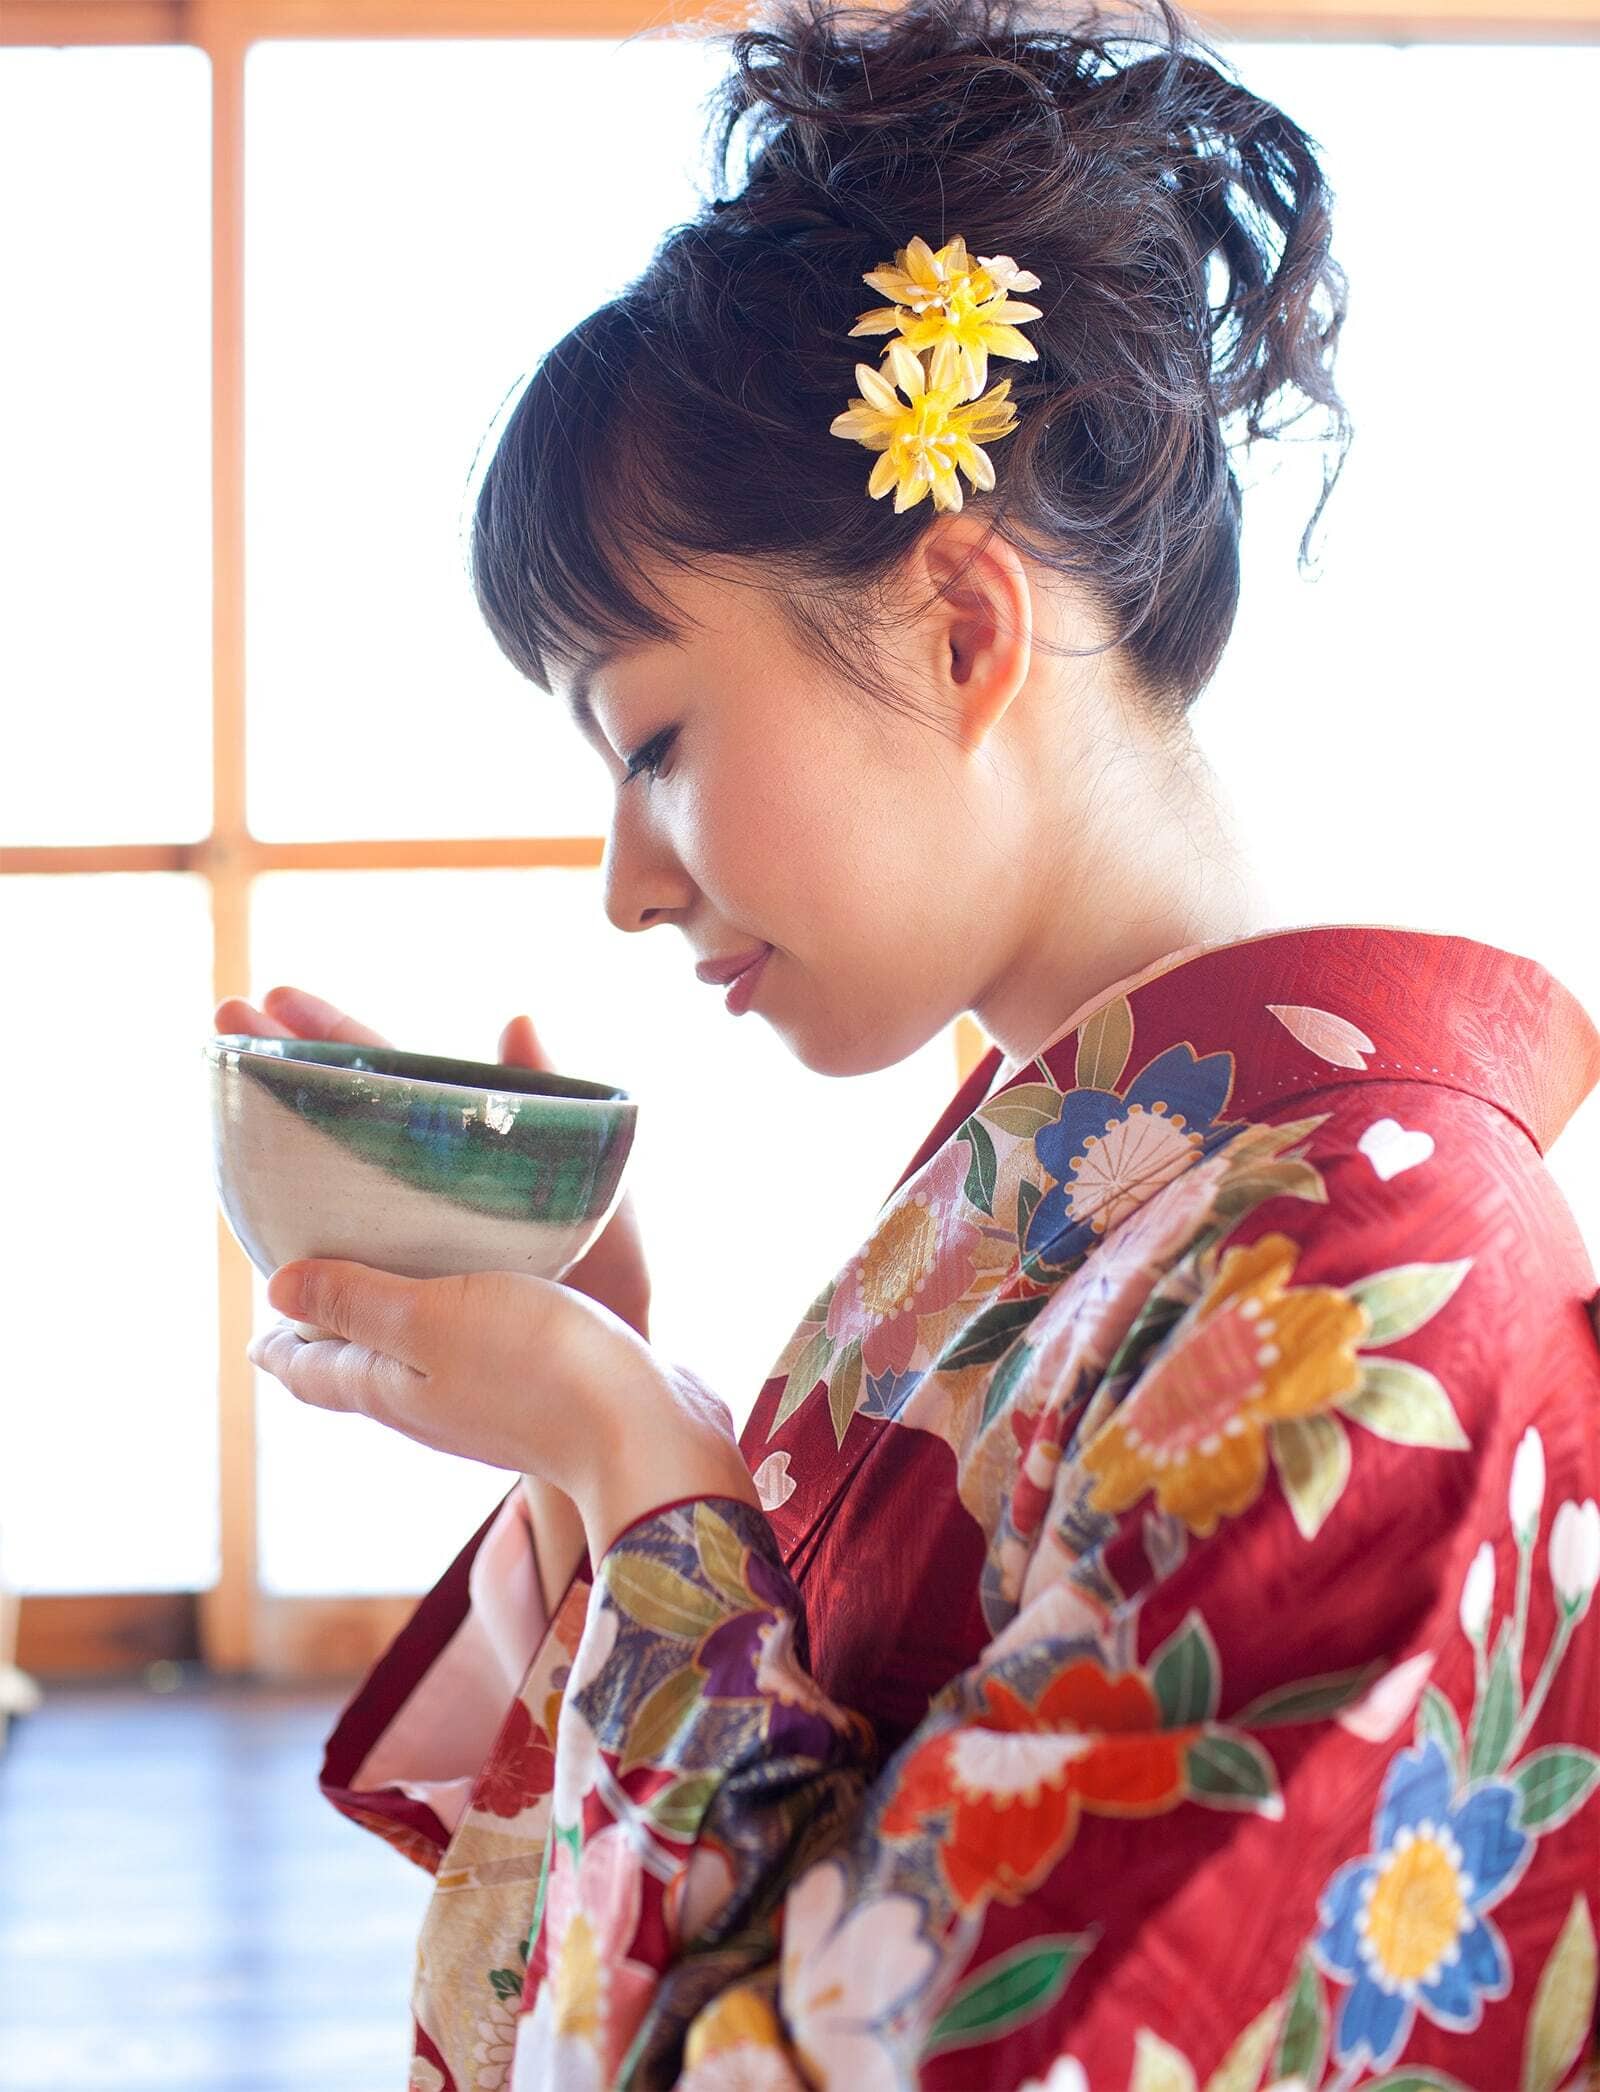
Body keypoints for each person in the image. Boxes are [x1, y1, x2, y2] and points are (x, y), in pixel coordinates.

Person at [227, 0, 1600, 2083]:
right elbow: (753, 1800)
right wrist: (577, 1440)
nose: (626, 878)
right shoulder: (1090, 1197)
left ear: (961, 627)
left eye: (655, 741)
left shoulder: (1381, 1275)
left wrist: (645, 1463)